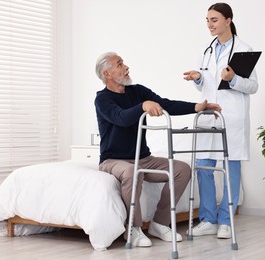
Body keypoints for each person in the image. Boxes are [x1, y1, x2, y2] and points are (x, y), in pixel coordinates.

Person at [94, 52, 221, 247]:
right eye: (119, 64)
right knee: (131, 171)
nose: (126, 66)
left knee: (182, 169)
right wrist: (143, 106)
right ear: (107, 73)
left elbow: (166, 104)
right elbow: (121, 118)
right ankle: (133, 229)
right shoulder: (102, 99)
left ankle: (159, 223)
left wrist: (197, 107)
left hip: (143, 157)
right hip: (113, 160)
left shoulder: (137, 91)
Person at [183, 3, 258, 239]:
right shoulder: (206, 50)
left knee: (230, 168)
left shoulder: (244, 50)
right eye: (207, 20)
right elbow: (207, 86)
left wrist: (234, 78)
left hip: (232, 118)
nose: (209, 25)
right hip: (208, 116)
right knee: (204, 167)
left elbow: (253, 86)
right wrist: (197, 79)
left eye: (214, 20)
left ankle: (226, 220)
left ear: (228, 20)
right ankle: (207, 219)